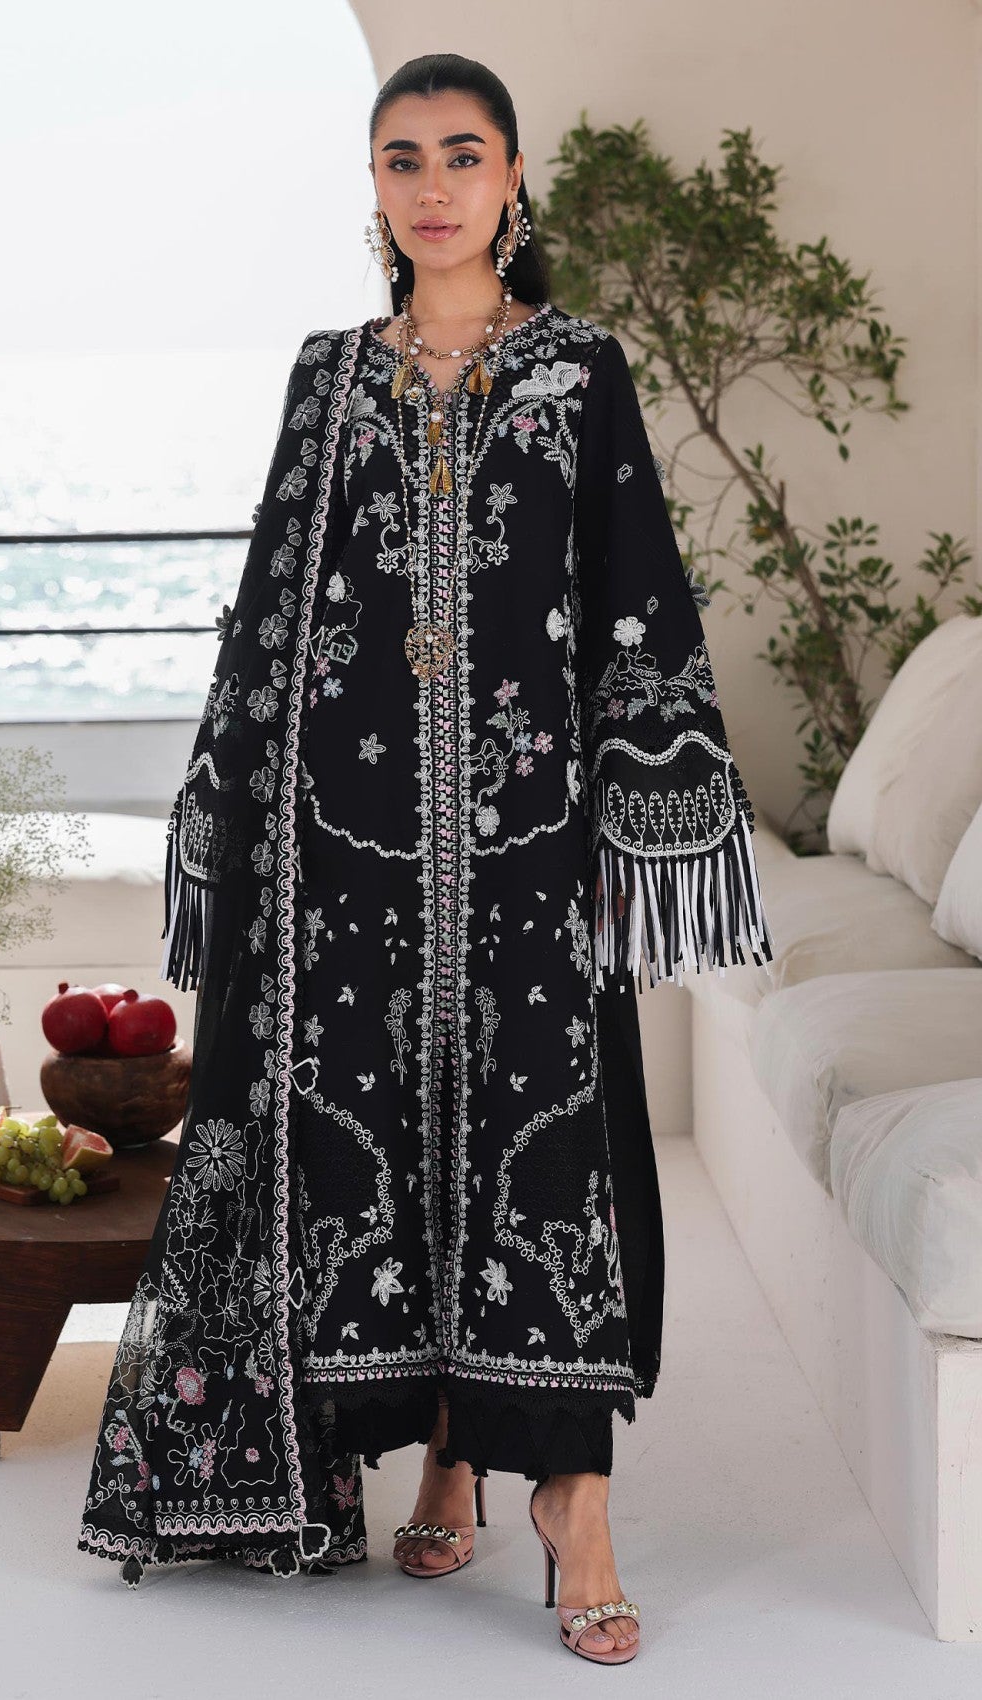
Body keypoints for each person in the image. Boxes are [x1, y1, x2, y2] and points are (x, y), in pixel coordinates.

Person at [77, 52, 773, 1667]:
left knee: (548, 1148)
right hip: (346, 854)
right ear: (375, 188)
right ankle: (445, 1440)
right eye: (404, 159)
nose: (435, 186)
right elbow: (268, 614)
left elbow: (637, 601)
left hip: (530, 847)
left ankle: (575, 1503)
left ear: (514, 177)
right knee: (366, 1149)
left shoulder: (580, 370)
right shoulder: (328, 377)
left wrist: (637, 821)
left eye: (464, 155)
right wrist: (235, 824)